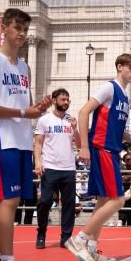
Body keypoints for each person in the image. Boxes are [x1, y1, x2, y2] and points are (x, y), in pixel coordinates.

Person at [65, 53, 131, 261]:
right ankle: (79, 239)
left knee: (103, 200)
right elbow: (83, 112)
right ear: (120, 67)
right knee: (118, 200)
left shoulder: (125, 98)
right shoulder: (109, 88)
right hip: (101, 148)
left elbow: (117, 131)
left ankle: (90, 250)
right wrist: (84, 146)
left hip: (111, 148)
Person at [0, 8, 51, 261]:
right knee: (10, 201)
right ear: (4, 27)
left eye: (25, 30)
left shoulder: (25, 67)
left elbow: (26, 107)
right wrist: (23, 112)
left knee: (2, 201)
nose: (22, 35)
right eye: (18, 28)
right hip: (1, 139)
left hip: (21, 139)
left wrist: (38, 108)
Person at [35, 88, 80, 249]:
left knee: (69, 204)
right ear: (54, 101)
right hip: (50, 167)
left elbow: (80, 145)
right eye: (63, 99)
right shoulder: (44, 120)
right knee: (44, 202)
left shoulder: (71, 120)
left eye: (68, 100)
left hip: (68, 168)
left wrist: (75, 129)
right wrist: (38, 162)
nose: (66, 102)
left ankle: (66, 238)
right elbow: (38, 143)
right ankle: (41, 232)